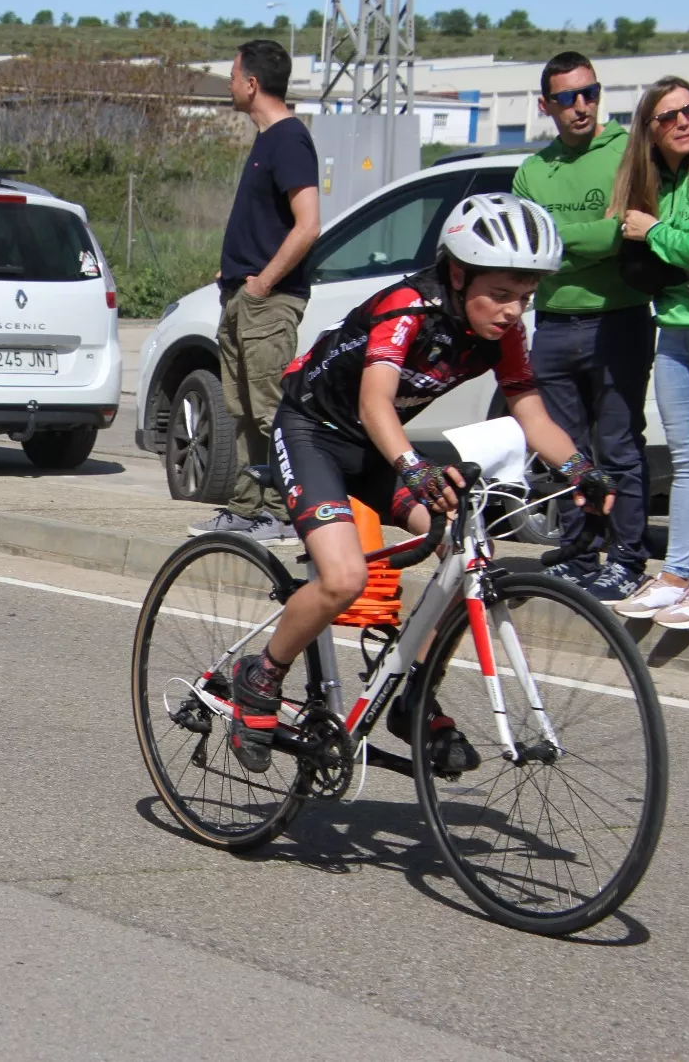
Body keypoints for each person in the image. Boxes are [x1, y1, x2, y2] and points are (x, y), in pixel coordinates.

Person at [224, 194, 614, 776]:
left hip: (377, 445)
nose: (512, 312)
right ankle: (260, 677)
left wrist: (581, 469)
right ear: (458, 275)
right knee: (345, 578)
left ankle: (414, 694)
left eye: (525, 298)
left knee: (468, 551)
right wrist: (414, 466)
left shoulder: (502, 333)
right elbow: (374, 402)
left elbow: (531, 412)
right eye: (500, 294)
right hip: (313, 432)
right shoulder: (407, 307)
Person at [511, 52, 655, 603]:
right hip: (552, 323)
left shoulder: (627, 152)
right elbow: (532, 247)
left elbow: (626, 234)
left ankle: (627, 559)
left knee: (618, 446)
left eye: (589, 93)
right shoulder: (532, 171)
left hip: (618, 319)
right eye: (567, 97)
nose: (581, 106)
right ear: (545, 105)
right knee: (566, 451)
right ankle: (577, 555)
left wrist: (564, 236)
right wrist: (593, 235)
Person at [190, 39, 321, 544]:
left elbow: (308, 225)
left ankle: (284, 514)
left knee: (269, 412)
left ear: (252, 83)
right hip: (242, 300)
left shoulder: (289, 140)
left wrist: (262, 284)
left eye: (232, 76)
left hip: (267, 303)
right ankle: (248, 508)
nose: (228, 84)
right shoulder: (267, 139)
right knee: (242, 411)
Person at [612, 78, 689, 629]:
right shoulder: (658, 182)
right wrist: (662, 240)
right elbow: (643, 253)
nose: (683, 121)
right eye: (667, 116)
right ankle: (679, 572)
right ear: (650, 131)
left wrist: (656, 231)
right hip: (675, 328)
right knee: (686, 461)